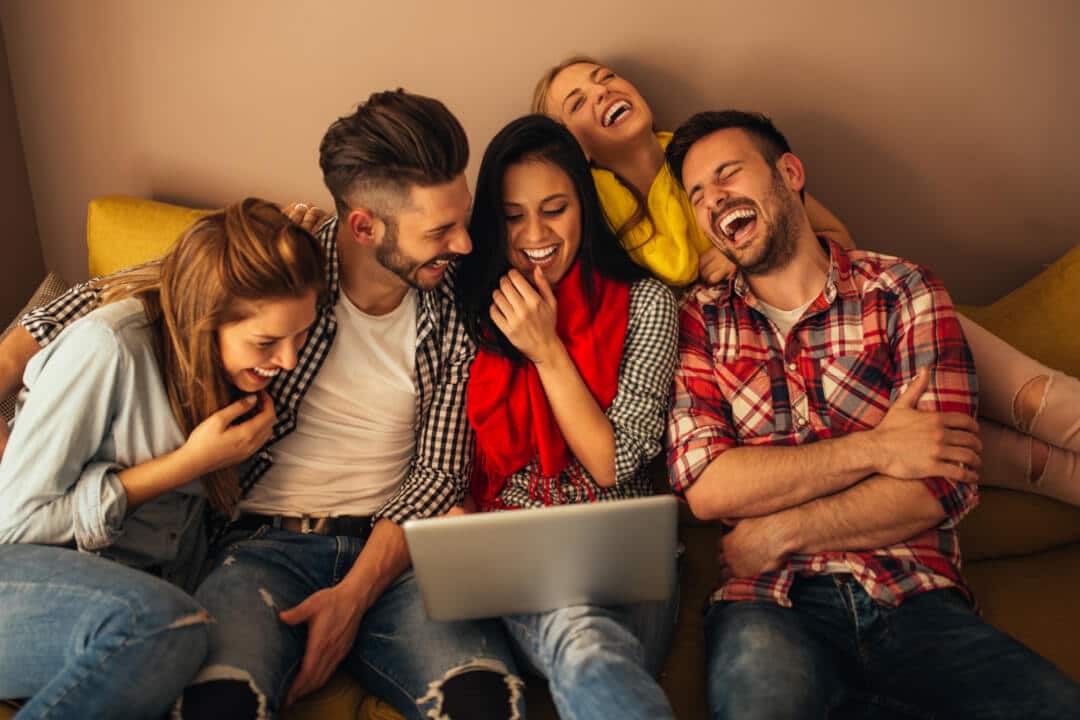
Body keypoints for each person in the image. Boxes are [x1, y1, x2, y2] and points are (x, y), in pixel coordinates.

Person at [4, 91, 524, 720]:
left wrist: (353, 597)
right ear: (364, 226)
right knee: (217, 702)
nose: (464, 244)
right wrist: (8, 364)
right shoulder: (280, 266)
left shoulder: (454, 309)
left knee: (484, 700)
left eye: (461, 219)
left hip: (391, 557)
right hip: (256, 548)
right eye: (439, 230)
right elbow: (142, 296)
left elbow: (438, 473)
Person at [663, 109, 1080, 719]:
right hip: (767, 610)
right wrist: (877, 448)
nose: (713, 198)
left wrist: (780, 530)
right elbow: (709, 488)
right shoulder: (699, 321)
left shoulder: (902, 290)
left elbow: (938, 485)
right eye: (697, 195)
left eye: (728, 173)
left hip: (915, 600)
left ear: (790, 173)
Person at [533, 56, 1080, 506]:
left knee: (1036, 401)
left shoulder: (711, 151)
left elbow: (837, 235)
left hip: (848, 319)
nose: (601, 93)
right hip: (747, 370)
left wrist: (739, 259)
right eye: (577, 102)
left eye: (605, 79)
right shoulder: (590, 218)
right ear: (574, 146)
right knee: (991, 452)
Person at [0, 198, 316, 719]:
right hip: (25, 582)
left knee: (192, 638)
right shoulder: (110, 349)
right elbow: (15, 524)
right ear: (205, 316)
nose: (287, 360)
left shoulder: (226, 377)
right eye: (267, 341)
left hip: (125, 607)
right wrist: (187, 464)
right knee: (166, 622)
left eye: (300, 334)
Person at [457, 114, 678, 720]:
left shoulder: (647, 303)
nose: (535, 233)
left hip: (619, 562)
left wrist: (547, 349)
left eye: (554, 209)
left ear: (583, 205)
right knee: (579, 636)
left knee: (587, 634)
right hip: (517, 564)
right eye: (512, 216)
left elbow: (614, 463)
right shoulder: (469, 309)